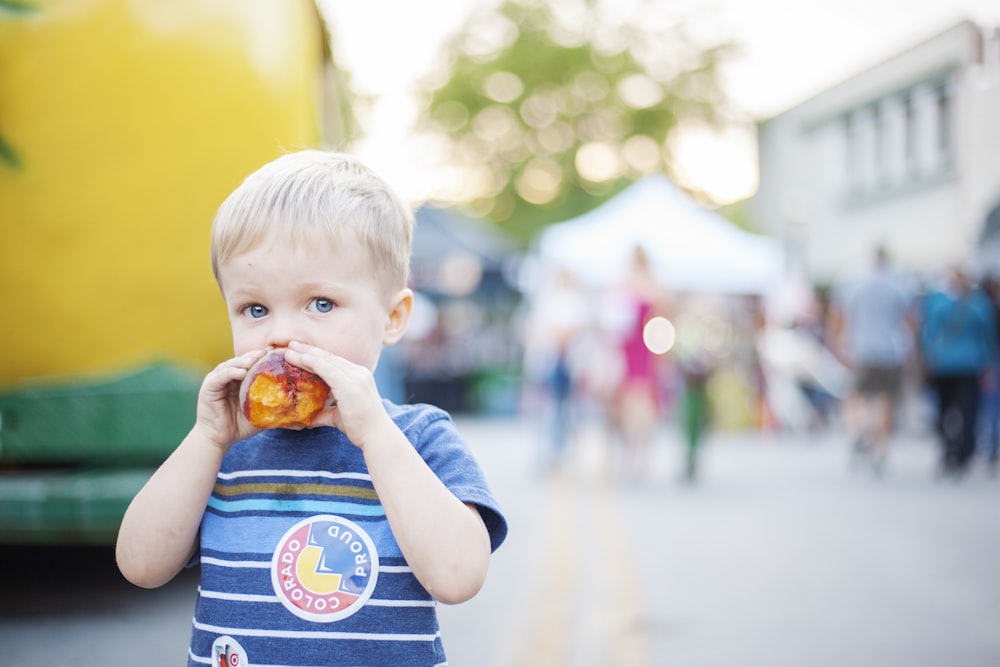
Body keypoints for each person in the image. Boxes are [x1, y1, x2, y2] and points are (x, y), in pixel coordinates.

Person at [115, 150, 508, 667]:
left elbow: (458, 577)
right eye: (255, 309)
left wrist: (377, 437)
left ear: (393, 317)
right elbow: (140, 565)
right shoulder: (225, 447)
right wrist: (206, 440)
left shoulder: (418, 437)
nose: (280, 333)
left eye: (321, 304)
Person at [829, 246, 914, 474]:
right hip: (891, 351)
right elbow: (909, 321)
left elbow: (841, 318)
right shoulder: (899, 286)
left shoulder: (855, 285)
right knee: (886, 400)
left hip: (861, 350)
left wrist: (841, 345)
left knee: (857, 397)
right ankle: (880, 446)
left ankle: (860, 431)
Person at [919, 267, 997, 477]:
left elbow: (929, 333)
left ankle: (948, 446)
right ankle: (964, 451)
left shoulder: (938, 303)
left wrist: (928, 356)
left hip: (944, 364)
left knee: (944, 408)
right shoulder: (979, 304)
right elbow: (986, 337)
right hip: (970, 365)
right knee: (969, 410)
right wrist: (987, 363)